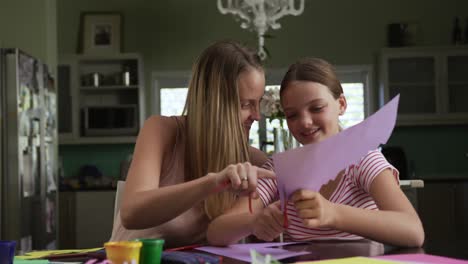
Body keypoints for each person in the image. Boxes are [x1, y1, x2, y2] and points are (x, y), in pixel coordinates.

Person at [207, 58, 425, 247]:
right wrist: (253, 222)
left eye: (317, 108)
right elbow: (216, 232)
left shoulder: (363, 159)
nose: (305, 122)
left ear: (341, 104)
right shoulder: (280, 170)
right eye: (292, 115)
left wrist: (334, 214)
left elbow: (413, 231)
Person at [110, 40, 275, 248]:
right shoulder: (162, 130)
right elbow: (132, 213)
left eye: (258, 102)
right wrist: (213, 183)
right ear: (212, 103)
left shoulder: (255, 162)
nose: (257, 116)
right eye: (245, 105)